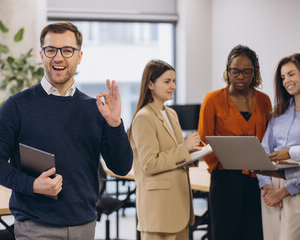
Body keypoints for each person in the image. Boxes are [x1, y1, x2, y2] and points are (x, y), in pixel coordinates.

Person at [0, 21, 133, 240]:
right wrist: (32, 184)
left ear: (79, 57)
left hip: (84, 226)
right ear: (42, 55)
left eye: (67, 50)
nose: (58, 57)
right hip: (35, 227)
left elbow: (121, 166)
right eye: (51, 50)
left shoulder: (96, 110)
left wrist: (115, 123)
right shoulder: (17, 106)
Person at [198, 45, 272, 240]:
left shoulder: (264, 101)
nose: (240, 76)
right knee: (225, 234)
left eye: (247, 72)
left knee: (254, 233)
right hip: (224, 180)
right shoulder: (212, 100)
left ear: (254, 73)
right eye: (235, 71)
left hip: (257, 180)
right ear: (227, 70)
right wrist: (220, 164)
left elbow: (268, 138)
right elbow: (203, 140)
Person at [128, 60, 202, 240]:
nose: (173, 86)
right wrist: (184, 148)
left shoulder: (171, 114)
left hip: (179, 205)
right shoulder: (143, 117)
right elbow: (150, 164)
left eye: (174, 81)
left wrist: (194, 152)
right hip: (158, 209)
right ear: (151, 84)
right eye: (167, 81)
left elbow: (176, 153)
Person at [257, 53, 300, 240]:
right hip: (271, 186)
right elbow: (264, 151)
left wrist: (284, 191)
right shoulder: (279, 113)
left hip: (296, 187)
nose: (286, 81)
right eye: (283, 77)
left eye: (291, 74)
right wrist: (266, 187)